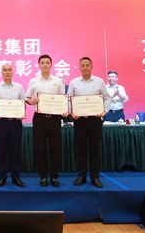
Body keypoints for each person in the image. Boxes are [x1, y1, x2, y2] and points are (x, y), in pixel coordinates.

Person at [67, 57, 111, 188]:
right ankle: (81, 175)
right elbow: (68, 99)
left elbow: (107, 97)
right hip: (79, 120)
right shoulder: (74, 82)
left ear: (92, 66)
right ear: (79, 67)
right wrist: (71, 112)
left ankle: (95, 176)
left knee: (95, 149)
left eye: (87, 65)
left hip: (95, 120)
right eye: (83, 65)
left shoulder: (99, 81)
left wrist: (104, 111)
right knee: (80, 149)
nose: (85, 67)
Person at [25, 54, 67, 187]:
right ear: (39, 65)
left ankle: (54, 176)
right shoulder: (33, 81)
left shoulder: (58, 81)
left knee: (55, 148)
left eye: (47, 62)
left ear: (51, 65)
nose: (45, 65)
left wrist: (64, 110)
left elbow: (63, 98)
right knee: (40, 148)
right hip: (39, 118)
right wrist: (31, 101)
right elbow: (27, 98)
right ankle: (43, 176)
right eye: (42, 63)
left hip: (54, 118)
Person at [0, 63, 26, 188]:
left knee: (16, 150)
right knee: (1, 150)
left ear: (13, 72)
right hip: (2, 123)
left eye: (9, 70)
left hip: (16, 122)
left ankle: (16, 177)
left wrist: (21, 112)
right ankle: (2, 176)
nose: (7, 72)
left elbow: (22, 104)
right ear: (1, 72)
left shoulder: (19, 87)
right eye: (5, 70)